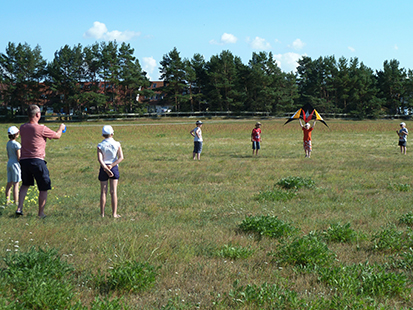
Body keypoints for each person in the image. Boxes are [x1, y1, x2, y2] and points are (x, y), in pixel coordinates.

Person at [16, 105, 65, 218]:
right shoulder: (41, 128)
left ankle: (19, 208)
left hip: (24, 160)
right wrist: (61, 128)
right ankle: (41, 213)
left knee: (25, 184)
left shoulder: (22, 127)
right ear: (37, 114)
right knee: (43, 187)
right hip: (37, 160)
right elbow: (57, 136)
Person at [97, 125, 124, 218]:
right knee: (113, 191)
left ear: (103, 135)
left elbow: (100, 159)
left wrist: (105, 168)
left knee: (103, 192)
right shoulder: (117, 144)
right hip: (113, 167)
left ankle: (102, 214)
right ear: (112, 134)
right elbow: (121, 157)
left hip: (104, 168)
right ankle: (114, 213)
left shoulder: (100, 145)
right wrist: (111, 166)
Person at [5, 126, 21, 205]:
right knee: (16, 183)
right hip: (15, 164)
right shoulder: (17, 144)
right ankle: (16, 201)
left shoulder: (8, 143)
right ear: (15, 134)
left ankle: (7, 201)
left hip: (9, 163)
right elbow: (19, 157)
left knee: (9, 183)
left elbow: (8, 154)